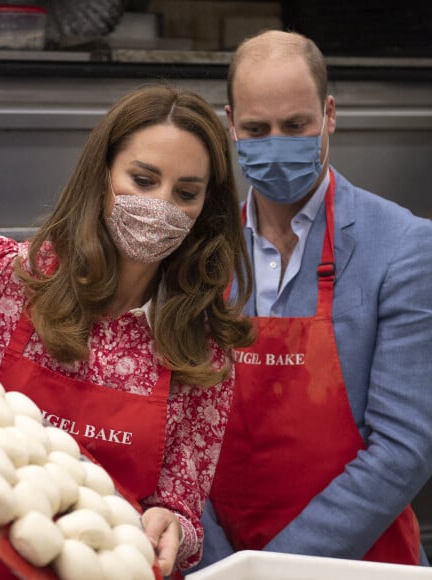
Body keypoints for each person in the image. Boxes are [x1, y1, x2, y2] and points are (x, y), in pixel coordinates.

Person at [0, 84, 254, 578]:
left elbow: (182, 512)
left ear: (205, 208)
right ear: (102, 173)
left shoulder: (202, 348)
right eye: (143, 180)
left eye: (186, 193)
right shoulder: (5, 279)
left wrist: (172, 525)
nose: (161, 206)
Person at [195, 29, 432, 571]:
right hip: (218, 563)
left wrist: (275, 569)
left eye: (296, 126)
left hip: (359, 564)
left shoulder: (403, 246)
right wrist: (215, 563)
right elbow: (177, 428)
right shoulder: (201, 254)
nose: (276, 142)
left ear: (328, 115)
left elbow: (404, 447)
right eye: (256, 129)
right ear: (230, 124)